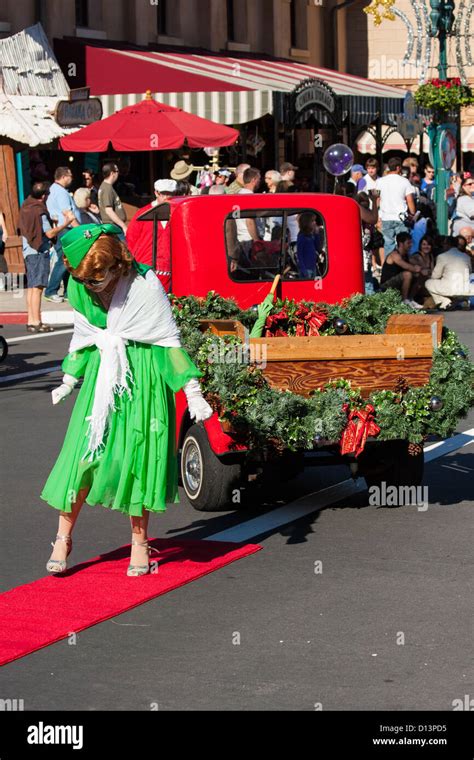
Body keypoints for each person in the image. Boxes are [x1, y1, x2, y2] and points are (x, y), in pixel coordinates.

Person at [42, 223, 213, 577]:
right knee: (81, 457)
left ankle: (140, 542)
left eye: (97, 277)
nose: (91, 285)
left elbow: (168, 341)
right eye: (85, 279)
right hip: (103, 376)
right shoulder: (79, 285)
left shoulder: (145, 285)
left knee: (139, 458)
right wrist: (69, 377)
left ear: (115, 262)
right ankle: (62, 537)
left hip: (144, 375)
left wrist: (192, 392)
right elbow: (86, 336)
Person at [18, 182, 76, 332]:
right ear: (43, 196)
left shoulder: (26, 205)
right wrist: (66, 223)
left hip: (27, 249)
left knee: (31, 287)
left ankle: (31, 320)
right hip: (38, 251)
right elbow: (49, 233)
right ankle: (37, 321)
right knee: (37, 288)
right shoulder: (39, 211)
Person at [126, 179, 177, 292]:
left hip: (169, 268)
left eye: (171, 194)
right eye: (164, 193)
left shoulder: (177, 214)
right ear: (156, 193)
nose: (167, 197)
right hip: (146, 267)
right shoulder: (142, 214)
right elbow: (131, 239)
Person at [45, 166, 81, 303]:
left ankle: (67, 291)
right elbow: (68, 213)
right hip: (66, 229)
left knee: (68, 260)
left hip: (61, 229)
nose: (72, 178)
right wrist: (80, 230)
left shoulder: (54, 190)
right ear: (64, 176)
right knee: (63, 260)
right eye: (70, 176)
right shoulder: (61, 192)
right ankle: (51, 290)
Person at [375, 157, 416, 257]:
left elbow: (377, 200)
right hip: (401, 218)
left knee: (388, 245)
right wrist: (413, 214)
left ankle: (390, 267)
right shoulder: (404, 181)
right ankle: (402, 267)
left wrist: (377, 217)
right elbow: (409, 200)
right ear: (398, 168)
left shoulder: (380, 181)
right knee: (403, 245)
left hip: (385, 217)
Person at [425, 236, 474, 310]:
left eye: (444, 244)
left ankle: (445, 301)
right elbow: (469, 272)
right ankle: (464, 301)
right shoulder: (466, 256)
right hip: (465, 289)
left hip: (450, 289)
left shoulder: (442, 256)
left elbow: (435, 276)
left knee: (428, 283)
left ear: (447, 245)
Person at [380, 232, 424, 308]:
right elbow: (406, 266)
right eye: (408, 243)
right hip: (386, 285)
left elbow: (416, 265)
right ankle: (404, 301)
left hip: (397, 283)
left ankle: (410, 299)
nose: (411, 245)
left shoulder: (406, 255)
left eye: (411, 243)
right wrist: (416, 268)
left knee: (418, 274)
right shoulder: (394, 255)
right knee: (407, 274)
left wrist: (420, 266)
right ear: (401, 243)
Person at [356, 190, 380, 294]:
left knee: (367, 277)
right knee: (366, 281)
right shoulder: (356, 207)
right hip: (361, 250)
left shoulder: (361, 208)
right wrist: (374, 201)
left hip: (365, 249)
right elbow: (373, 219)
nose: (366, 203)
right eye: (363, 201)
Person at [98, 163, 127, 237]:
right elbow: (109, 211)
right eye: (117, 171)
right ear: (112, 173)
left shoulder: (106, 187)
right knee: (122, 248)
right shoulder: (107, 189)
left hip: (113, 226)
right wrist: (123, 226)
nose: (118, 174)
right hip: (113, 227)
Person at [409, 235, 435, 305]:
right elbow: (415, 271)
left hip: (427, 283)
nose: (426, 247)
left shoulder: (431, 256)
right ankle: (410, 299)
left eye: (428, 244)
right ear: (420, 245)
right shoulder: (415, 256)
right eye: (424, 244)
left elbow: (432, 272)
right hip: (417, 284)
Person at [296, 212, 321, 279]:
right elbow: (299, 254)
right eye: (312, 221)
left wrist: (317, 234)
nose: (315, 223)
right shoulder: (302, 236)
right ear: (307, 222)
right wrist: (303, 269)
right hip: (306, 269)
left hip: (313, 267)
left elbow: (317, 247)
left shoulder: (311, 235)